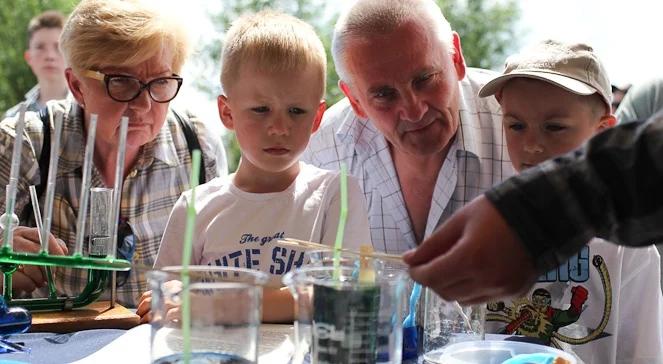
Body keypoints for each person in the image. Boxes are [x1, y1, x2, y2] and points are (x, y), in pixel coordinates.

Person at [136, 11, 371, 323]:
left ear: (317, 118)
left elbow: (339, 297)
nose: (279, 127)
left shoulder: (337, 195)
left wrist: (218, 305)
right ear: (227, 112)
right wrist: (170, 295)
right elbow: (164, 295)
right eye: (261, 109)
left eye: (296, 111)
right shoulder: (195, 207)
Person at [0, 0, 227, 307]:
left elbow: (223, 268)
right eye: (121, 81)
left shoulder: (196, 145)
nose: (144, 105)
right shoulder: (26, 143)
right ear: (77, 86)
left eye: (160, 82)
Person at [473, 40, 663, 363]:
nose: (531, 144)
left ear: (603, 132)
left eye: (554, 127)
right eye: (516, 125)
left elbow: (643, 354)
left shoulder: (627, 246)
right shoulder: (484, 229)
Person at [302, 0, 512, 254]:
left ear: (456, 57)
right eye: (384, 95)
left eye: (425, 79)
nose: (414, 111)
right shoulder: (317, 153)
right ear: (355, 100)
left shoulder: (520, 122)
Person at [4, 10, 69, 118]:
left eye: (58, 47)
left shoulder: (87, 112)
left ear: (70, 55)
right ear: (28, 57)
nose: (50, 56)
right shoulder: (12, 119)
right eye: (40, 47)